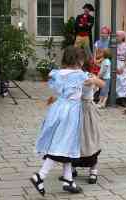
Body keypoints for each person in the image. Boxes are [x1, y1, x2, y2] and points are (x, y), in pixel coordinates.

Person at [30, 46, 91, 195]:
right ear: (80, 60)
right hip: (70, 112)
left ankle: (68, 180)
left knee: (66, 144)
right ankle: (40, 176)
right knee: (62, 145)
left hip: (57, 109)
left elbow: (59, 92)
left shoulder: (58, 73)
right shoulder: (80, 75)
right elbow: (93, 86)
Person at [70, 48, 105, 184]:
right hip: (74, 110)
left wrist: (94, 80)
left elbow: (103, 84)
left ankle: (93, 170)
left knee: (90, 139)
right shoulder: (71, 76)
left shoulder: (88, 75)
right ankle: (72, 168)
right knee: (73, 139)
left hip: (87, 110)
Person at [116, 31, 126, 107]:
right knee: (117, 81)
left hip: (123, 64)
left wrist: (122, 67)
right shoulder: (114, 45)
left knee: (123, 81)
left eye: (118, 36)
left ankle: (123, 99)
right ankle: (117, 98)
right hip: (116, 63)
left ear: (122, 37)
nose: (116, 37)